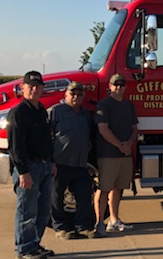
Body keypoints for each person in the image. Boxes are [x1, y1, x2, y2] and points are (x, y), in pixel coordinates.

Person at [8, 70, 56, 259]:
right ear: (22, 88)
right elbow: (15, 146)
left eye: (38, 86)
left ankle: (35, 243)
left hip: (45, 166)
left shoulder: (41, 111)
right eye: (30, 86)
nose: (34, 89)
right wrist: (23, 171)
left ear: (42, 88)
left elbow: (48, 139)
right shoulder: (18, 113)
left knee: (43, 210)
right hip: (29, 169)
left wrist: (51, 162)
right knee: (27, 210)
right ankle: (25, 247)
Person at [48, 81, 95, 239]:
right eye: (72, 93)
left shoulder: (85, 114)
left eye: (79, 94)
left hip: (80, 163)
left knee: (84, 195)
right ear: (65, 95)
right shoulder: (56, 111)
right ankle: (61, 228)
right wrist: (50, 160)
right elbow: (47, 136)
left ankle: (84, 227)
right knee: (56, 197)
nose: (76, 96)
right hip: (59, 162)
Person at [93, 73, 138, 233]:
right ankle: (99, 223)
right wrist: (120, 145)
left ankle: (114, 220)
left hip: (124, 154)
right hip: (108, 154)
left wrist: (130, 143)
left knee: (118, 188)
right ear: (110, 87)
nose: (118, 87)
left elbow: (134, 128)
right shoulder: (103, 105)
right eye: (115, 84)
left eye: (121, 84)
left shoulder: (128, 106)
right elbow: (103, 129)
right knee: (104, 188)